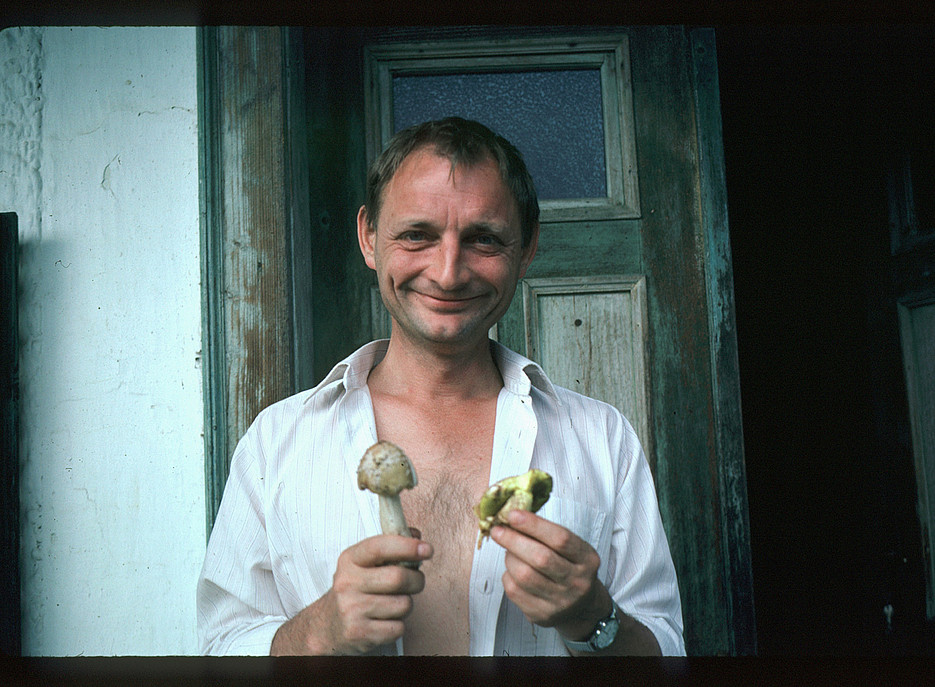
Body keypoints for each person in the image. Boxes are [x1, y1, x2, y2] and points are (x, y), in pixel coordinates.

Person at [197, 117, 685, 656]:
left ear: (527, 249)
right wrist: (316, 634)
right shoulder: (276, 441)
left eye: (484, 239)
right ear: (368, 237)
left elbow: (665, 651)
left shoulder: (602, 438)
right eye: (416, 235)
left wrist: (594, 617)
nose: (449, 273)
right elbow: (220, 648)